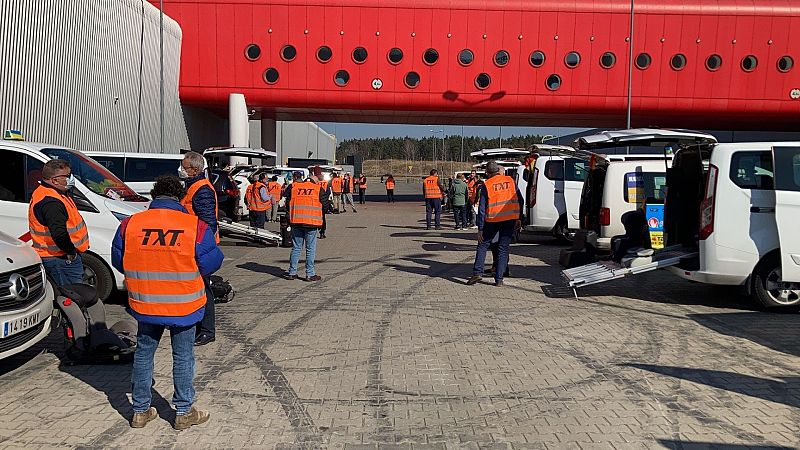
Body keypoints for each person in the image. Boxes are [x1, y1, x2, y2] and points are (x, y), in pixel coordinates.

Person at [112, 175, 223, 430]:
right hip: (183, 305)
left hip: (146, 303)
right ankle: (183, 412)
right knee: (183, 356)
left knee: (143, 353)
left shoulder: (130, 225)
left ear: (154, 196)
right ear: (179, 197)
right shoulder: (194, 226)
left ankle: (140, 411)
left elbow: (120, 260)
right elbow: (211, 262)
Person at [28, 159, 89, 286]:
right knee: (74, 295)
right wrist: (71, 252)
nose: (71, 178)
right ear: (55, 180)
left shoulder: (51, 192)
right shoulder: (52, 202)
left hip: (58, 256)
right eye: (67, 176)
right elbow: (59, 234)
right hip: (60, 258)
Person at [179, 151, 218, 346]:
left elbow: (207, 223)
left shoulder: (201, 189)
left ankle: (207, 330)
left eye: (184, 167)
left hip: (198, 247)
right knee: (196, 288)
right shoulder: (192, 186)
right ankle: (198, 326)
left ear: (194, 169)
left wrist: (200, 249)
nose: (181, 170)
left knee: (204, 289)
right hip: (190, 244)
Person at [466, 161, 523, 287]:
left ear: (487, 173)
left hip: (493, 220)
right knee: (503, 248)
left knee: (483, 244)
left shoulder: (487, 185)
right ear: (498, 170)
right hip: (510, 219)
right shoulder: (510, 181)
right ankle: (499, 279)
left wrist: (480, 228)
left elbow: (482, 209)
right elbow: (520, 199)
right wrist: (519, 218)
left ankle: (477, 272)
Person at [285, 171, 330, 281]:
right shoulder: (318, 189)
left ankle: (292, 272)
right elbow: (326, 206)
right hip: (311, 222)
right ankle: (310, 274)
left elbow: (287, 203)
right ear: (315, 182)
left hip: (296, 221)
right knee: (310, 249)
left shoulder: (294, 188)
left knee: (296, 248)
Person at [314, 166, 330, 239]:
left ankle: (314, 231)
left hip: (314, 202)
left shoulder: (313, 180)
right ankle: (322, 232)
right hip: (323, 202)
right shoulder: (325, 181)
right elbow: (328, 192)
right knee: (323, 218)